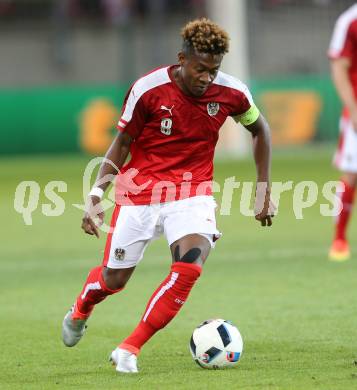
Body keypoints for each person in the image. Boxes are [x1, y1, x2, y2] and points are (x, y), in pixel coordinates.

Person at [62, 18, 274, 373]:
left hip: (193, 193)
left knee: (189, 267)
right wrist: (97, 194)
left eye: (214, 70)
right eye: (200, 69)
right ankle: (81, 308)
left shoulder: (233, 92)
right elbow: (122, 144)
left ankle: (130, 347)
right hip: (140, 194)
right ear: (182, 59)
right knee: (114, 280)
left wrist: (263, 189)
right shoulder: (148, 89)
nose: (207, 78)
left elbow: (260, 130)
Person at [328, 4, 357, 261]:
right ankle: (339, 238)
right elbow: (339, 67)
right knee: (351, 174)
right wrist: (353, 108)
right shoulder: (350, 21)